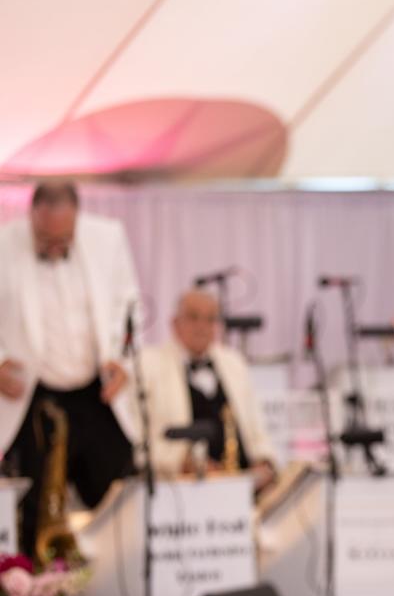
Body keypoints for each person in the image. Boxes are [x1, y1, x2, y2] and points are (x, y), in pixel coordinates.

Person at [0, 181, 140, 556]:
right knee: (34, 508)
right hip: (33, 392)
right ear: (31, 216)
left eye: (63, 237)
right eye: (44, 236)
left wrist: (124, 361)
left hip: (96, 391)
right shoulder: (4, 242)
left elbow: (130, 308)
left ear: (77, 217)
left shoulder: (108, 237)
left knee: (115, 497)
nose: (54, 245)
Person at [141, 289, 276, 492]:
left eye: (210, 319)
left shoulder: (234, 363)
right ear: (175, 323)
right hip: (183, 492)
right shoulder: (149, 364)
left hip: (243, 485)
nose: (202, 327)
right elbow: (141, 440)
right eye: (194, 317)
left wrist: (264, 461)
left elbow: (258, 429)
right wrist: (183, 462)